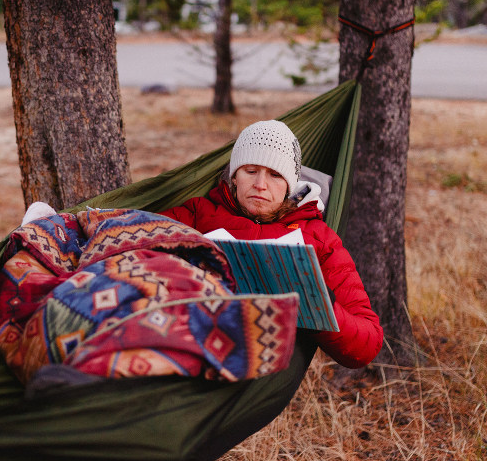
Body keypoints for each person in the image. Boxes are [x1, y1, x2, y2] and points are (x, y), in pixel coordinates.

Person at [160, 120, 383, 369]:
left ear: (289, 185)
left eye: (275, 175)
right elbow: (137, 243)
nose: (260, 185)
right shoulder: (198, 214)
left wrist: (321, 304)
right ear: (234, 177)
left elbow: (367, 345)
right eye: (250, 171)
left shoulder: (318, 238)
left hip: (266, 371)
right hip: (190, 350)